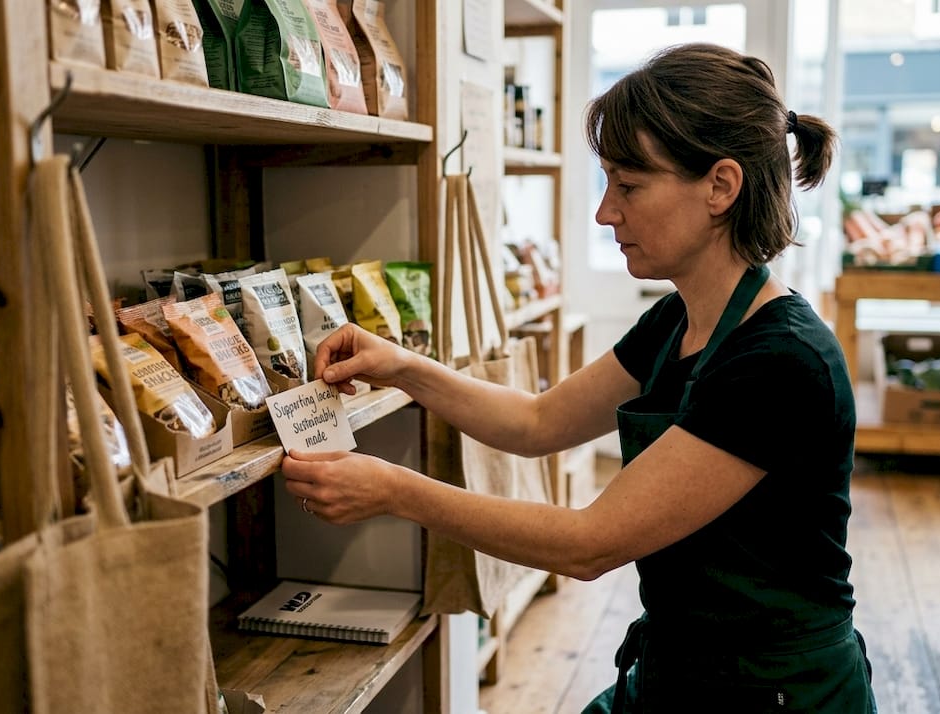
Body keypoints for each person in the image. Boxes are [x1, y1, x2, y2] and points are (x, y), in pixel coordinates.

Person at [282, 42, 876, 713]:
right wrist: (402, 366)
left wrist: (395, 490)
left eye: (629, 185)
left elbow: (589, 544)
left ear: (721, 186)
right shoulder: (678, 322)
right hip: (686, 669)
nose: (605, 212)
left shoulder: (779, 362)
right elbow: (538, 422)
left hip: (774, 691)